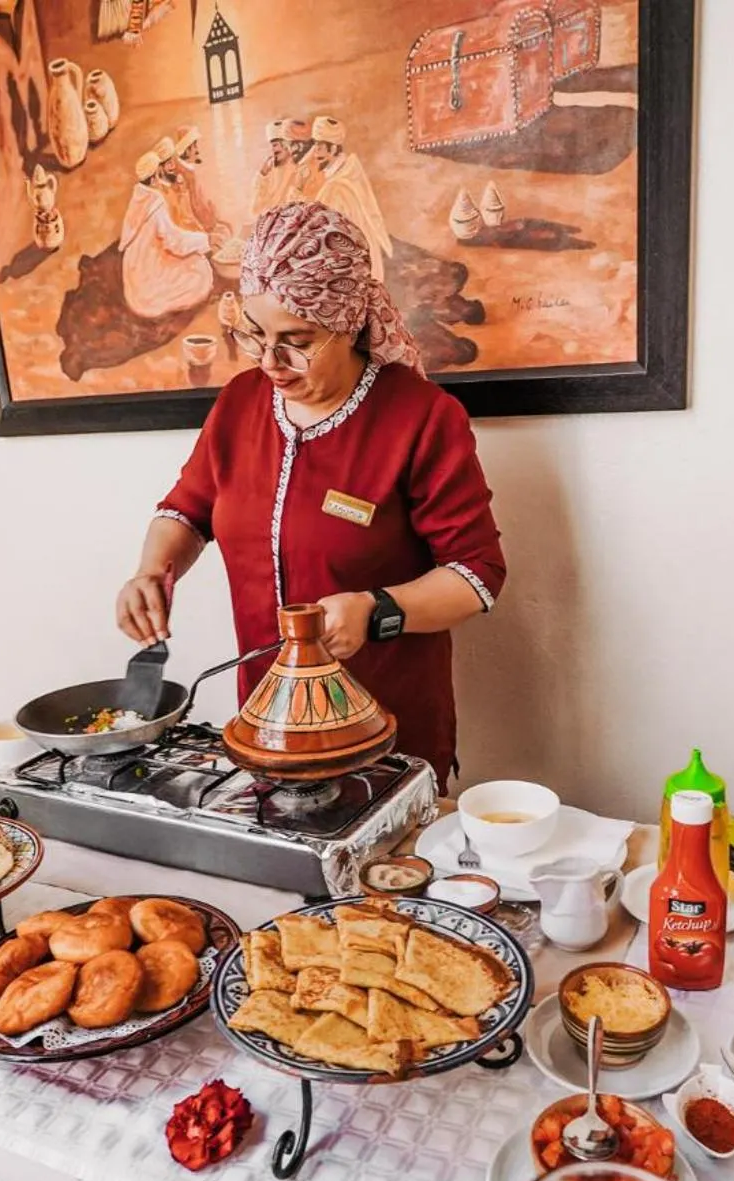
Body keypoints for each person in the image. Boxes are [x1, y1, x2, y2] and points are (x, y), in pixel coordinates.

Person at [116, 203, 505, 786]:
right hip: (267, 727)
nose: (270, 362)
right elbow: (187, 510)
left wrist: (376, 610)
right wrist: (152, 570)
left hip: (384, 729)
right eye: (255, 334)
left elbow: (476, 575)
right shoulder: (240, 403)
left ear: (347, 322)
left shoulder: (420, 418)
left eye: (296, 341)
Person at [119, 150, 214, 318]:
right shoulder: (154, 202)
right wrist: (206, 240)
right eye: (160, 171)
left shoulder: (138, 198)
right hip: (147, 280)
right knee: (199, 270)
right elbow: (174, 242)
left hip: (135, 274)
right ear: (154, 177)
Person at [303, 116, 393, 280]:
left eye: (319, 147)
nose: (314, 153)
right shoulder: (347, 176)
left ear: (333, 149)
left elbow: (325, 237)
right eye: (314, 146)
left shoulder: (336, 188)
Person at [166, 125, 229, 238]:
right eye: (194, 146)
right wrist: (208, 229)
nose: (197, 150)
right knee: (225, 233)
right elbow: (190, 211)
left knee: (227, 229)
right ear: (187, 150)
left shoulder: (189, 171)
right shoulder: (182, 175)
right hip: (197, 229)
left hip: (206, 224)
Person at [250, 118, 297, 217]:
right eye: (271, 146)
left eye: (275, 145)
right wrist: (262, 174)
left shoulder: (297, 168)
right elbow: (255, 208)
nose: (272, 150)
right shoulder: (269, 171)